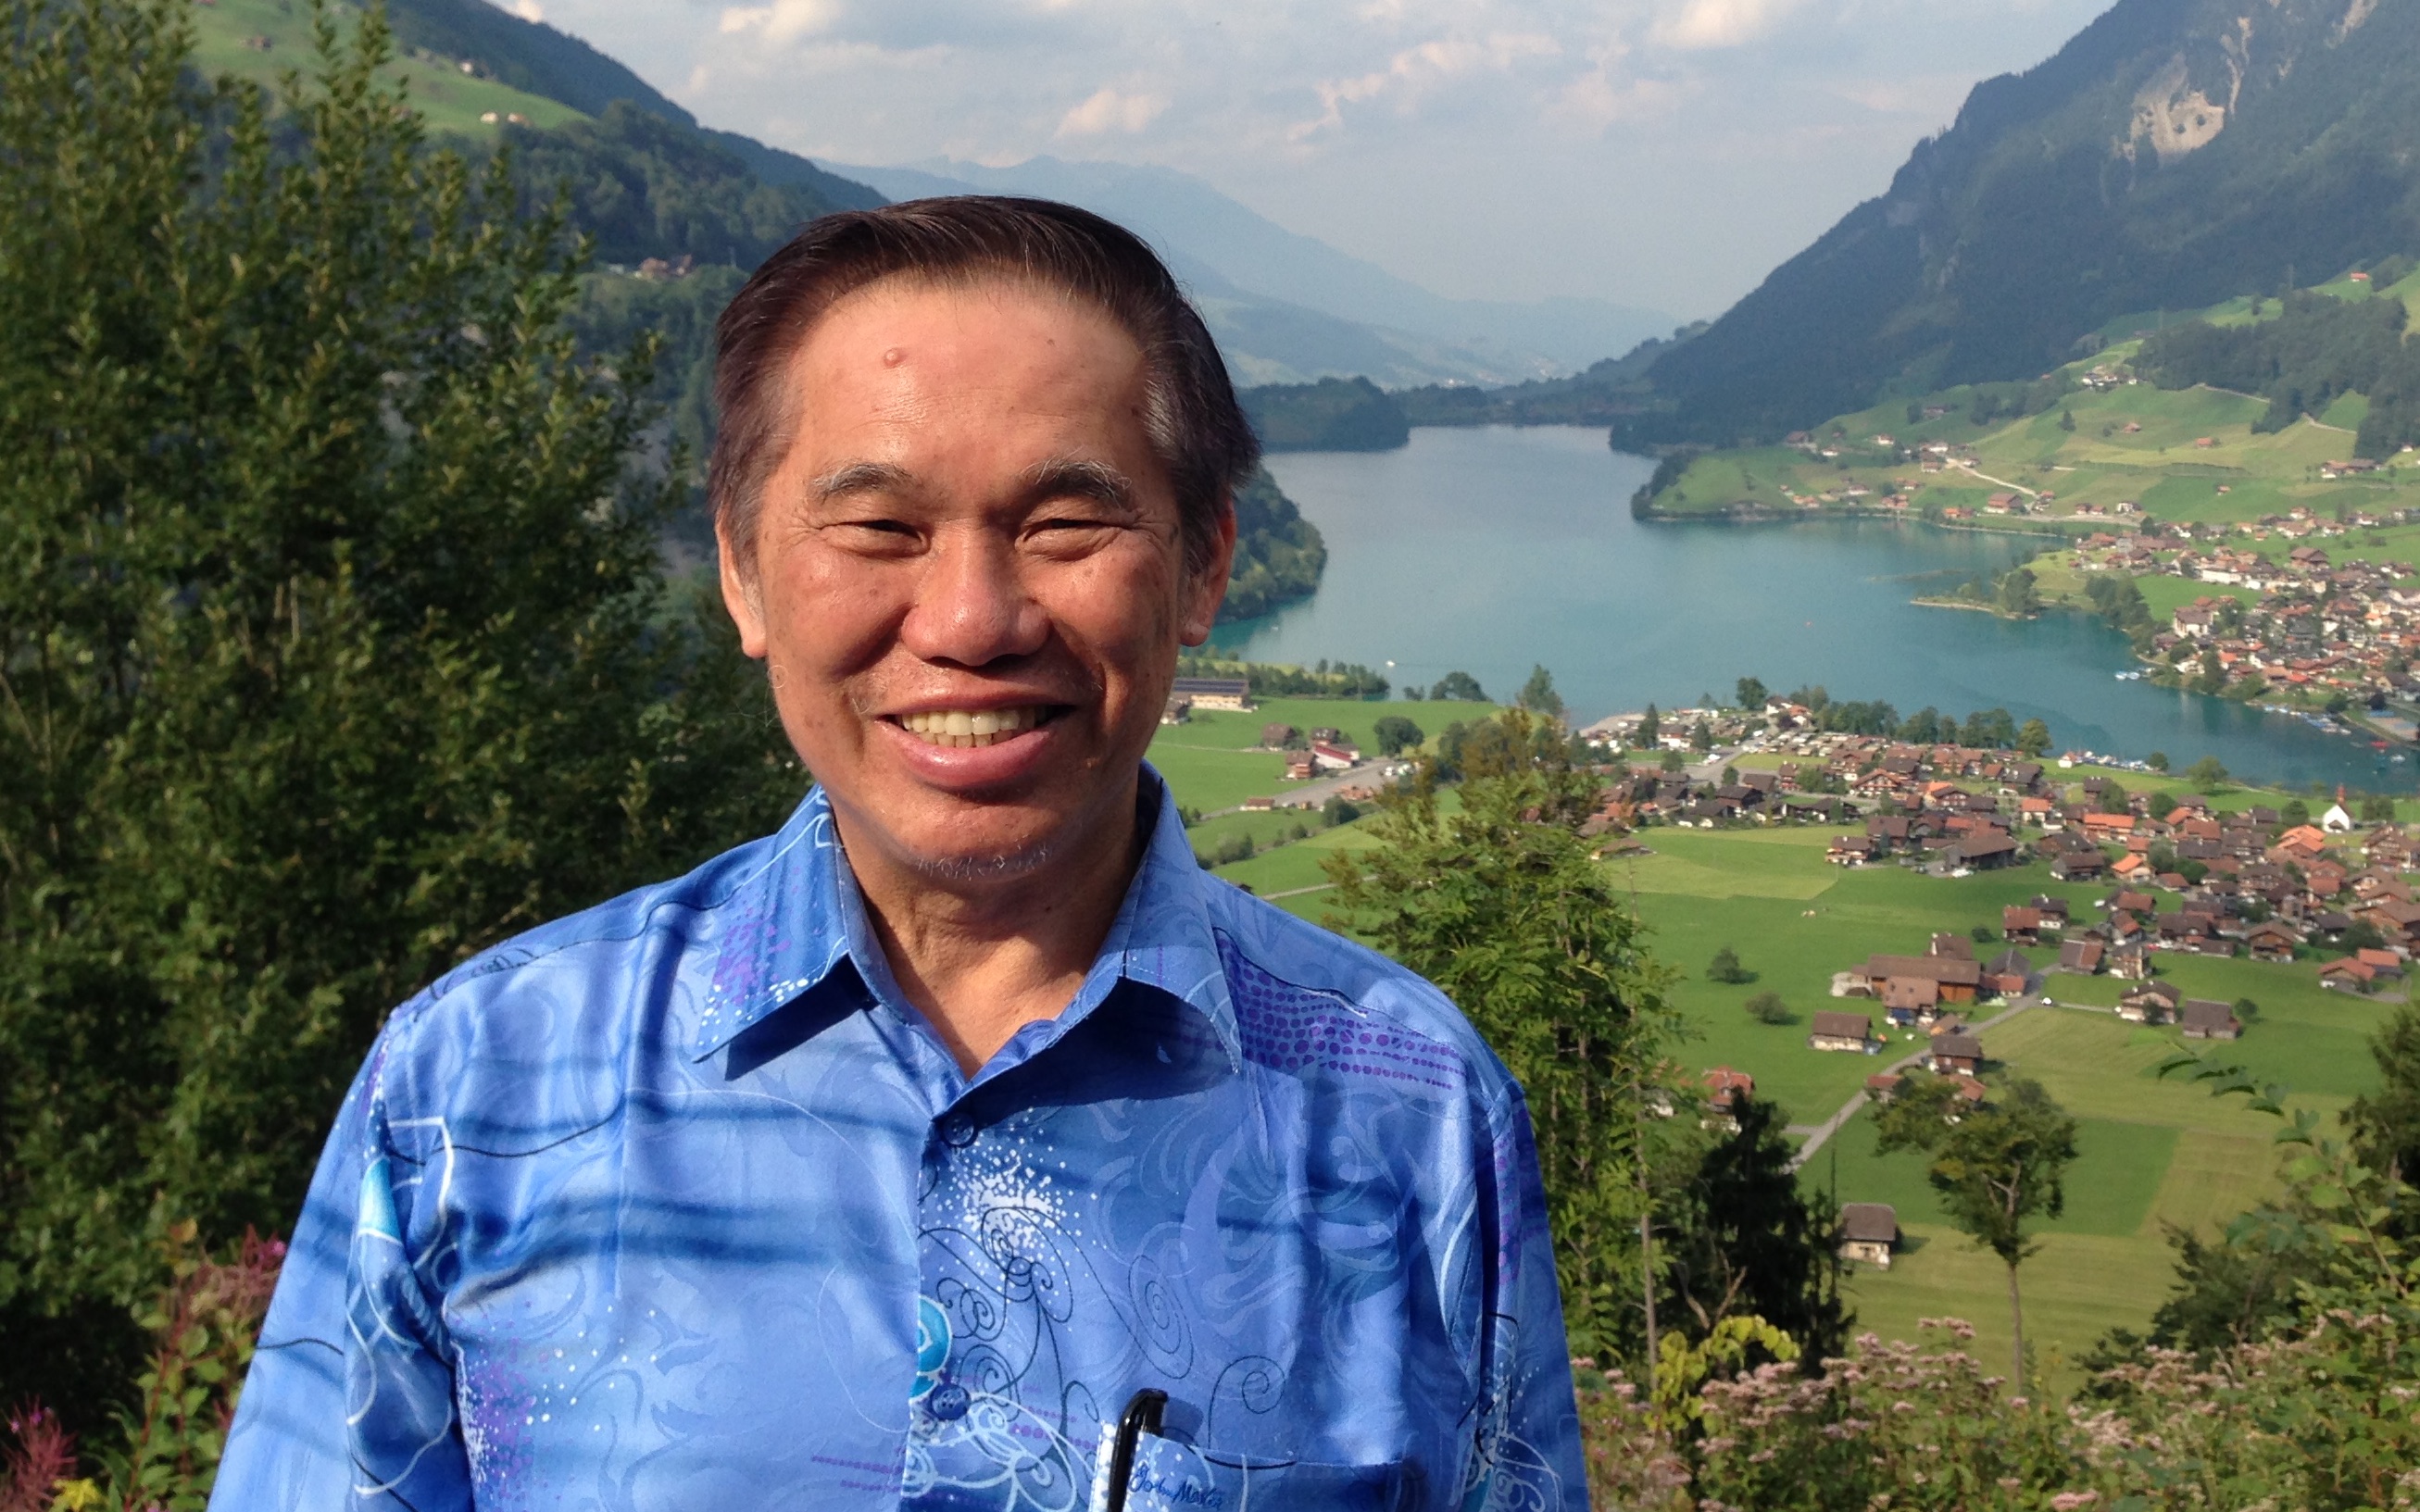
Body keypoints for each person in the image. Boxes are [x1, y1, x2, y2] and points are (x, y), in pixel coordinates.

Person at [210, 197, 1585, 1511]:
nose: (972, 620)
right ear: (743, 569)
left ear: (1205, 566)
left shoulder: (1406, 1114)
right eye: (879, 528)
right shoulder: (475, 1091)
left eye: (1063, 524)